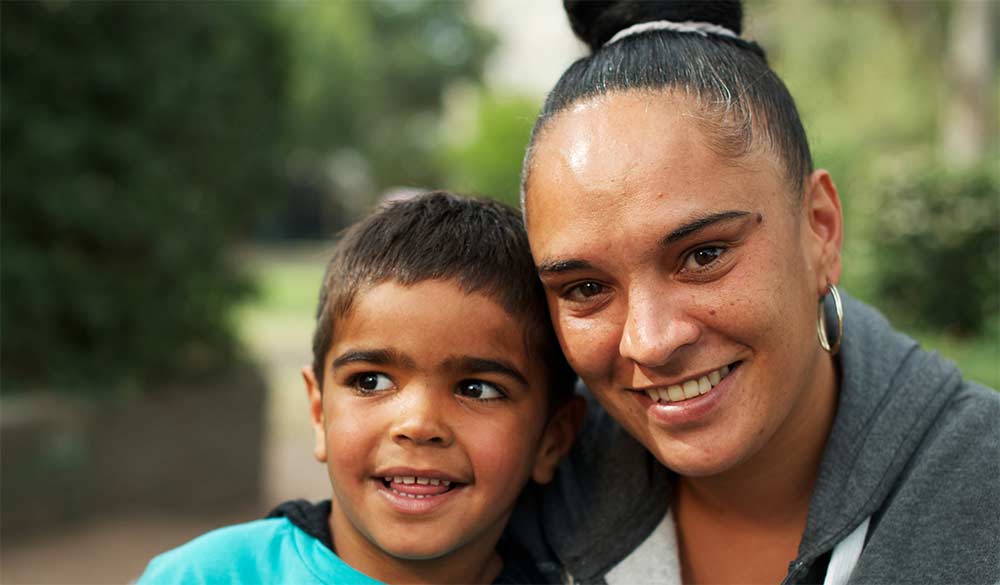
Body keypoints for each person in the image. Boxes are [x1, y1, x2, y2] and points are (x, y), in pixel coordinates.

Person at [509, 1, 1000, 584]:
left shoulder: (981, 492)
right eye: (586, 287)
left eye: (703, 256)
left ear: (819, 228)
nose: (651, 342)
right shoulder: (522, 491)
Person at [138, 192, 583, 585]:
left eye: (477, 389)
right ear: (318, 411)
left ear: (551, 438)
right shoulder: (207, 576)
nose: (419, 424)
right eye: (371, 381)